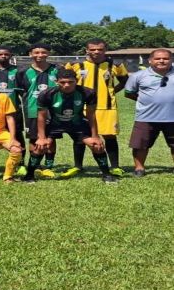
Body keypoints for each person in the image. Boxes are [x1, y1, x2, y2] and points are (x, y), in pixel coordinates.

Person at [24, 69, 117, 183]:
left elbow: (91, 116)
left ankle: (106, 175)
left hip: (77, 123)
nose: (66, 85)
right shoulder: (46, 94)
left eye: (70, 82)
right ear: (57, 81)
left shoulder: (88, 93)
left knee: (96, 145)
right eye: (62, 82)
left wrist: (95, 136)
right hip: (54, 124)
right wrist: (42, 138)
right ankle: (29, 176)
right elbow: (42, 117)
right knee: (40, 147)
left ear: (76, 81)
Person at [65, 39, 128, 177]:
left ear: (105, 49)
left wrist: (111, 92)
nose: (96, 52)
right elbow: (65, 81)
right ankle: (78, 166)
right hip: (82, 107)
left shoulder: (115, 64)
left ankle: (115, 167)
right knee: (80, 137)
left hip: (107, 107)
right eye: (92, 49)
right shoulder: (75, 65)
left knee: (110, 137)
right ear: (86, 50)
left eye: (100, 49)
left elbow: (124, 81)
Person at [124, 48, 174, 177]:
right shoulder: (138, 76)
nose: (161, 61)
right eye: (157, 58)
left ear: (171, 60)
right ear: (150, 60)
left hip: (172, 117)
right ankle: (139, 168)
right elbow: (129, 93)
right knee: (141, 145)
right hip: (146, 116)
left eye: (166, 58)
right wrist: (148, 102)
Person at [16, 43, 59, 178]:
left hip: (53, 111)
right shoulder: (23, 72)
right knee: (34, 139)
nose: (40, 55)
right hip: (33, 110)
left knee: (51, 138)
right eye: (36, 52)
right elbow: (21, 92)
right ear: (30, 54)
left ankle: (48, 166)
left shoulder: (57, 70)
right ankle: (35, 165)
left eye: (43, 52)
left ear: (48, 54)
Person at [0, 45, 26, 175]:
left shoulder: (19, 71)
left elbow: (23, 91)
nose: (3, 56)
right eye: (0, 54)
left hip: (13, 110)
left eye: (6, 54)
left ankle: (21, 164)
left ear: (11, 56)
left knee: (17, 135)